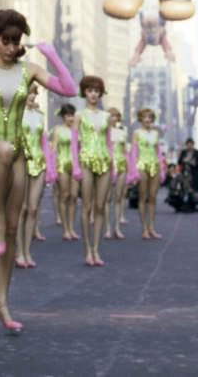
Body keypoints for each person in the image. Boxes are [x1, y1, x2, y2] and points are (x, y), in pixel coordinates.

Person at [0, 9, 77, 332]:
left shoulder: (28, 71)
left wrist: (51, 54)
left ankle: (1, 303)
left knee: (13, 233)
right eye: (5, 41)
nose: (11, 47)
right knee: (3, 151)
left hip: (16, 155)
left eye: (16, 41)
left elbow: (69, 89)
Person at [75, 75, 111, 267]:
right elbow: (74, 142)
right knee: (87, 206)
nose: (93, 95)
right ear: (84, 93)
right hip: (86, 159)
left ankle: (96, 248)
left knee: (100, 206)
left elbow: (109, 143)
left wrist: (113, 167)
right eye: (90, 91)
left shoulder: (106, 117)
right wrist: (75, 166)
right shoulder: (79, 115)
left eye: (96, 91)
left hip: (105, 160)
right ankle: (87, 249)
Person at [15, 84, 52, 269]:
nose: (31, 96)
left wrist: (50, 168)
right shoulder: (14, 114)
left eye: (33, 93)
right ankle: (19, 251)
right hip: (20, 162)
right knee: (21, 208)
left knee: (33, 208)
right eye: (28, 93)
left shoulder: (39, 117)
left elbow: (44, 143)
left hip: (38, 162)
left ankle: (28, 250)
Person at [128, 108, 166, 238]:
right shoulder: (136, 133)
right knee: (143, 197)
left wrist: (161, 168)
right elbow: (133, 152)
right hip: (142, 165)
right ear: (141, 119)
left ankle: (152, 228)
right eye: (145, 117)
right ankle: (144, 228)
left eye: (150, 117)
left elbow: (158, 152)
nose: (147, 119)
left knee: (153, 197)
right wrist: (133, 170)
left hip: (154, 164)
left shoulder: (155, 133)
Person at [50, 104, 79, 241]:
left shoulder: (77, 130)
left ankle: (72, 227)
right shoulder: (58, 130)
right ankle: (65, 229)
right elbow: (54, 149)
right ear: (63, 117)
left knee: (74, 196)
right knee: (64, 195)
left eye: (72, 115)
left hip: (75, 164)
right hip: (62, 163)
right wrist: (53, 168)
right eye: (68, 116)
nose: (71, 118)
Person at [104, 108, 128, 240]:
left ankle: (117, 227)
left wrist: (130, 168)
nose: (113, 118)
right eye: (111, 116)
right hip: (108, 164)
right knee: (107, 198)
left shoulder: (122, 132)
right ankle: (107, 227)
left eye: (115, 116)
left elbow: (125, 151)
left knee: (119, 197)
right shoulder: (104, 132)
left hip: (121, 164)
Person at [177, 138, 198, 208]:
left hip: (195, 174)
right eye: (188, 145)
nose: (189, 146)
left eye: (190, 144)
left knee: (194, 189)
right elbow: (179, 161)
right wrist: (183, 160)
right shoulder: (183, 152)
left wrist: (194, 163)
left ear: (193, 145)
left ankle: (194, 203)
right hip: (185, 173)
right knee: (185, 188)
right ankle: (186, 202)